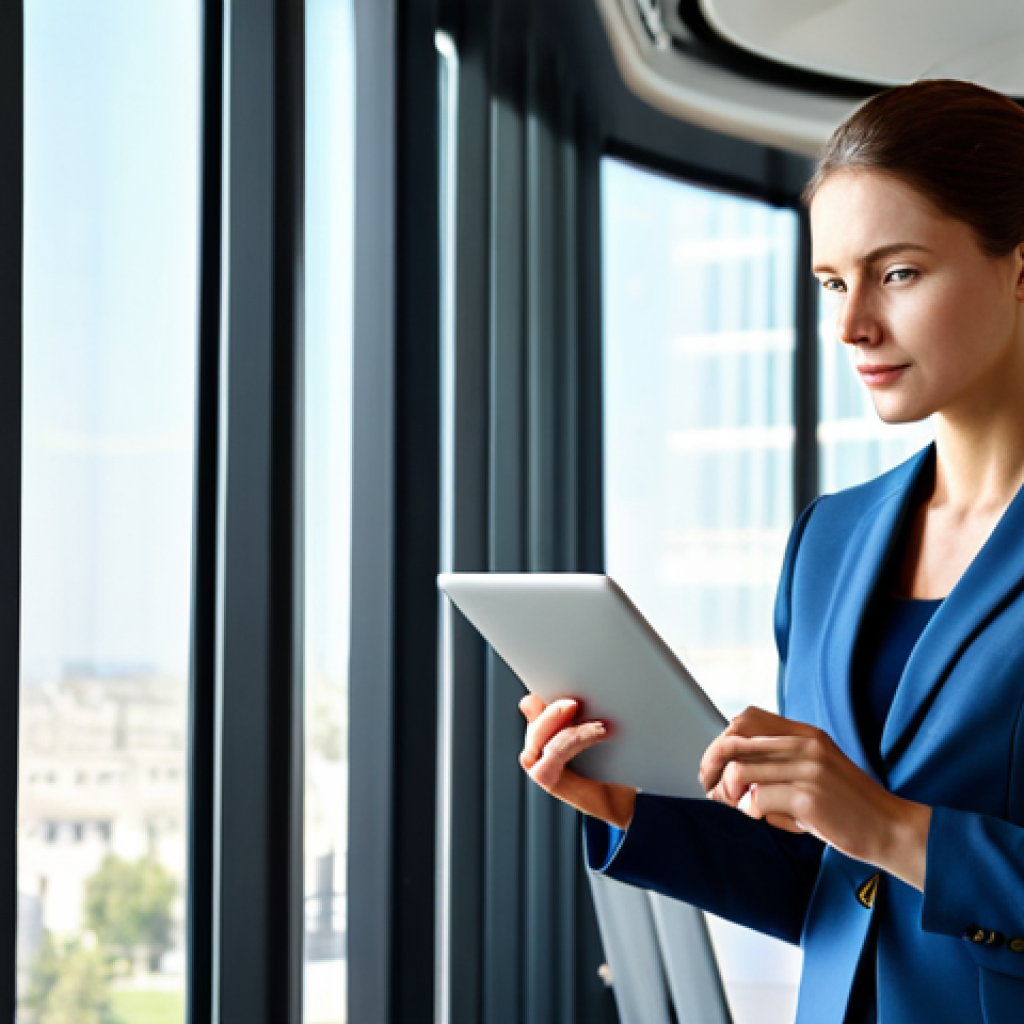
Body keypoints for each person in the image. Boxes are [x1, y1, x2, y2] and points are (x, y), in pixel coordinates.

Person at [518, 79, 1024, 1024]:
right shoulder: (828, 541)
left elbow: (880, 841)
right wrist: (633, 806)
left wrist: (893, 828)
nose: (851, 324)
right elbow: (835, 891)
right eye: (832, 282)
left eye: (897, 273)